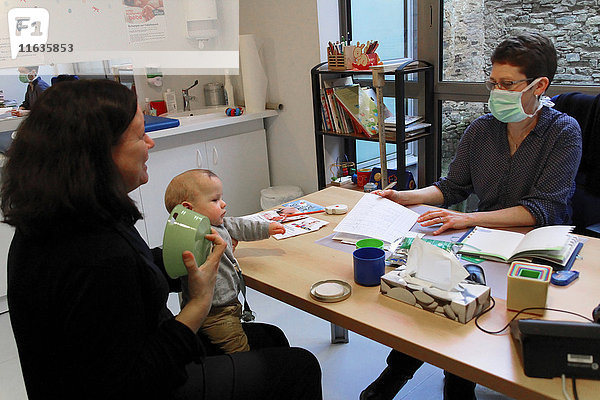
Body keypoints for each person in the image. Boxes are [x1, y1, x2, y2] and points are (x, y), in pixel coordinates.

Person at [1, 79, 322, 400]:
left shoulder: (64, 221)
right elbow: (134, 379)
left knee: (271, 338)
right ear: (99, 153)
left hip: (116, 366)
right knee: (300, 367)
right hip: (136, 386)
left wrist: (188, 259)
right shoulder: (94, 253)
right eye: (140, 135)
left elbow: (131, 278)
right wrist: (198, 303)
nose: (151, 143)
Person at [361, 32, 582, 400]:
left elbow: (544, 209)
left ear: (539, 85)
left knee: (476, 305)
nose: (496, 92)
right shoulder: (482, 130)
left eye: (507, 84)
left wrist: (468, 220)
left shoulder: (563, 133)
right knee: (435, 288)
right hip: (483, 239)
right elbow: (453, 187)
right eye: (493, 83)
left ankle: (457, 383)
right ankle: (398, 374)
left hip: (535, 248)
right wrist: (403, 196)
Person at [164, 169, 286, 354]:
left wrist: (266, 228)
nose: (223, 203)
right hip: (216, 314)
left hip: (228, 305)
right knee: (238, 350)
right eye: (214, 200)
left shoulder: (218, 224)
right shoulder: (192, 237)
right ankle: (244, 373)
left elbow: (239, 225)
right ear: (189, 210)